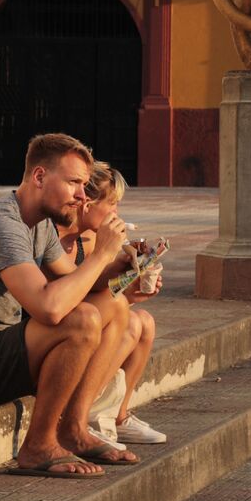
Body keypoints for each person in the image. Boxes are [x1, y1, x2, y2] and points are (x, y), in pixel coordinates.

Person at [0, 133, 138, 477]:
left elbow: (76, 282)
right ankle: (38, 445)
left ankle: (74, 428)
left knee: (113, 304)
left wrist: (123, 271)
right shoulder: (0, 225)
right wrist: (102, 255)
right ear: (39, 177)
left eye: (84, 185)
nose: (82, 196)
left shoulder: (40, 226)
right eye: (74, 183)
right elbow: (49, 308)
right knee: (80, 320)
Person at [55, 162, 166, 448]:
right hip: (60, 327)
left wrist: (131, 284)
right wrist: (119, 287)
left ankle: (117, 415)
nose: (117, 213)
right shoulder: (59, 237)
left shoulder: (88, 235)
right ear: (87, 204)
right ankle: (82, 419)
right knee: (123, 313)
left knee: (144, 321)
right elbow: (68, 292)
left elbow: (93, 286)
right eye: (112, 204)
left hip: (80, 316)